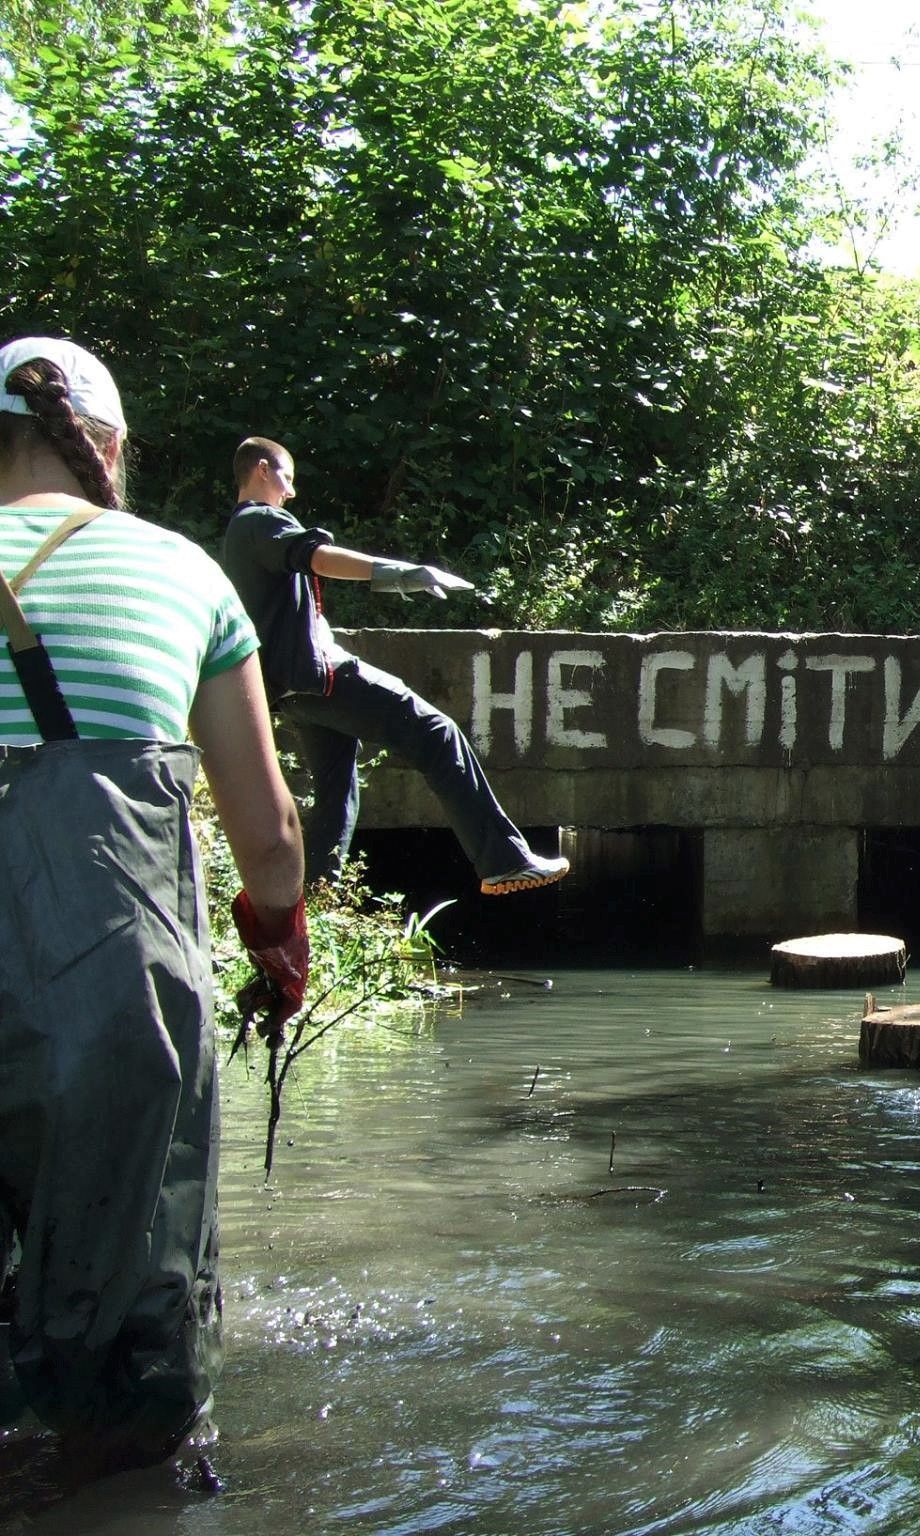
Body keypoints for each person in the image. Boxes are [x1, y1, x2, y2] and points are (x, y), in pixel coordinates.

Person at [0, 337, 308, 1473]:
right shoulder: (180, 574)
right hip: (109, 1003)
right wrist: (278, 942)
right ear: (111, 444)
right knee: (123, 1343)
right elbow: (268, 840)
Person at [220, 437, 568, 895]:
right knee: (437, 734)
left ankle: (315, 903)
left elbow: (286, 610)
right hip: (318, 679)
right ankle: (504, 860)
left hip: (292, 688)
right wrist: (401, 573)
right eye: (287, 478)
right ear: (262, 470)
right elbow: (318, 558)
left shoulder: (239, 535)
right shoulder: (261, 521)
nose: (291, 493)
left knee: (337, 791)